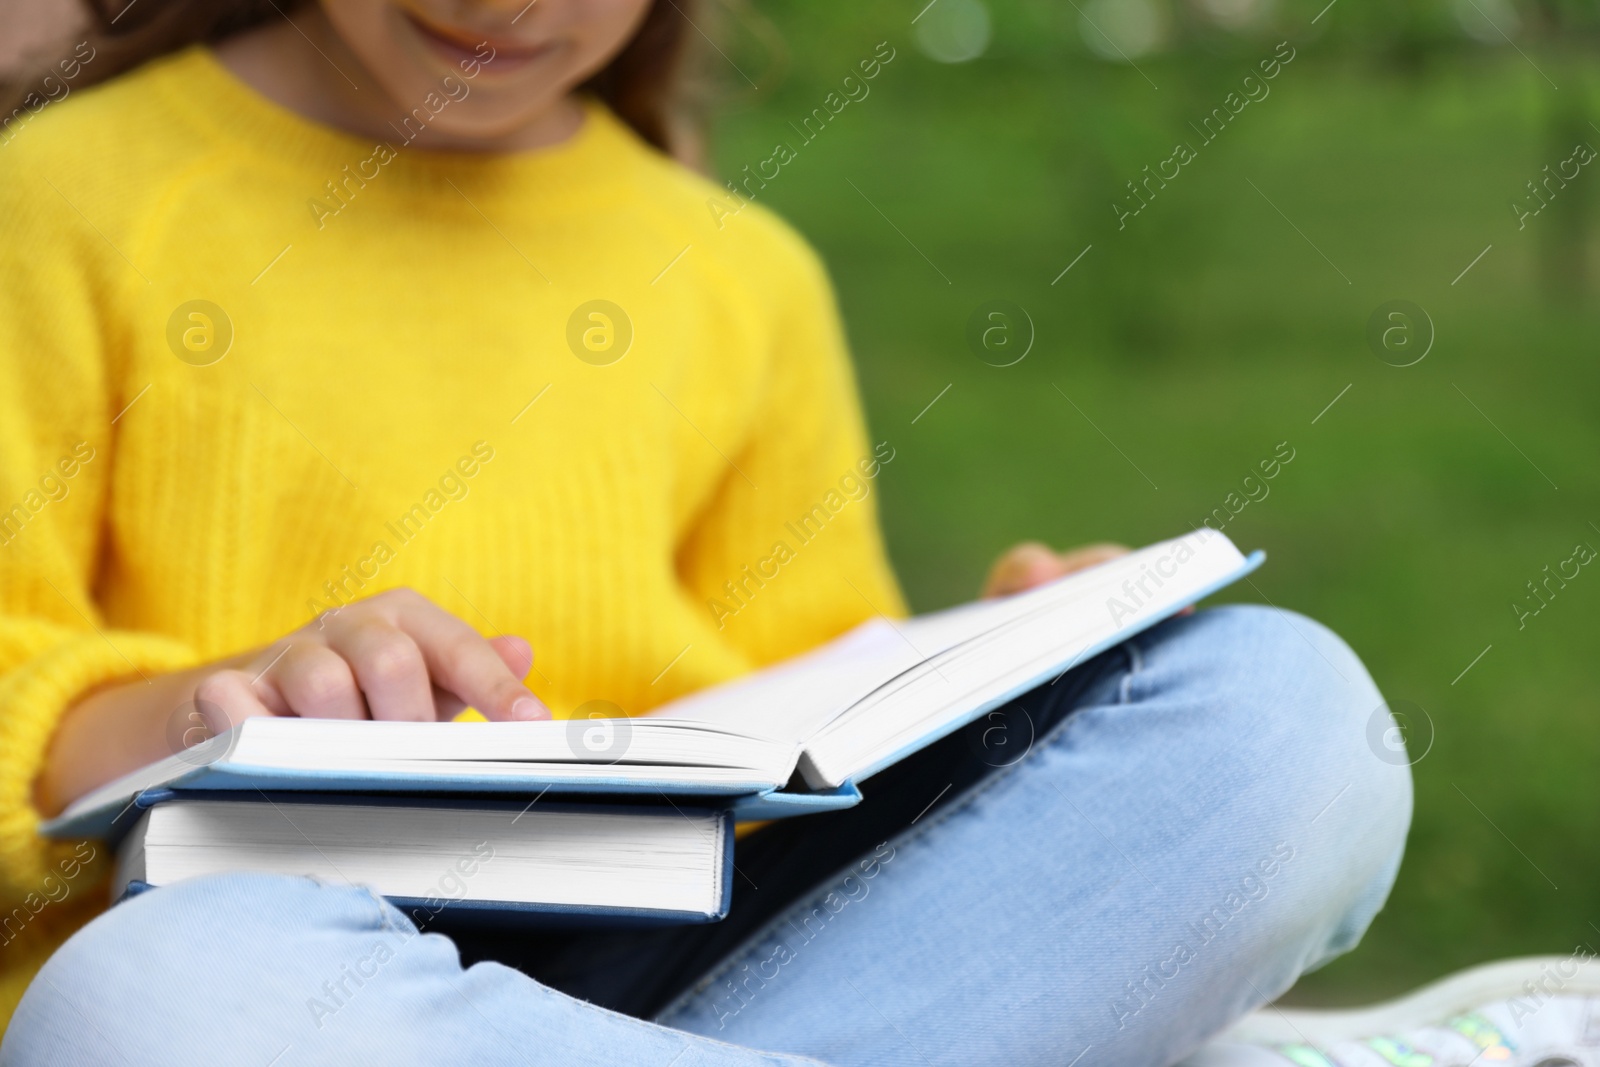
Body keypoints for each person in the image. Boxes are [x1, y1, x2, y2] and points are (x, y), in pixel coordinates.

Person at [0, 1, 1420, 1062]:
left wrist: (1009, 665)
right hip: (295, 957)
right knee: (147, 1006)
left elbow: (818, 727)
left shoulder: (741, 278)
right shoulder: (61, 202)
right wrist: (216, 705)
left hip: (702, 945)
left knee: (1286, 711)